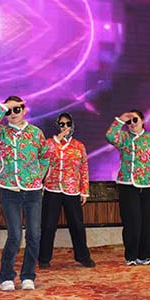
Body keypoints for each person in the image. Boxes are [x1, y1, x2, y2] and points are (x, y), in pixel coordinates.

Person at [0, 96, 48, 291]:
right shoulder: (1, 133)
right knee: (14, 234)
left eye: (17, 109)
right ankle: (6, 276)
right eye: (9, 111)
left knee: (34, 235)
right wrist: (2, 107)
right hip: (9, 189)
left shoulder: (36, 133)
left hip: (33, 191)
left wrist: (38, 177)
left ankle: (28, 275)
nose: (13, 114)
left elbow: (45, 157)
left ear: (24, 110)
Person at [105, 110, 150, 266]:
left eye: (135, 120)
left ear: (143, 120)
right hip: (127, 184)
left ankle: (145, 255)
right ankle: (131, 256)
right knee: (132, 222)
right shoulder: (123, 137)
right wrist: (120, 120)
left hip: (149, 185)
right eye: (129, 122)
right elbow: (110, 136)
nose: (132, 123)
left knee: (148, 223)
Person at [38, 113, 95, 269]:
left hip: (72, 189)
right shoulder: (50, 143)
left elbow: (84, 168)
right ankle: (44, 258)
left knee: (77, 225)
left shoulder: (79, 146)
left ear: (72, 125)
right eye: (61, 124)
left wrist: (84, 190)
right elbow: (43, 157)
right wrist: (58, 139)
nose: (65, 127)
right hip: (52, 188)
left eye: (68, 124)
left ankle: (83, 256)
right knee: (48, 225)